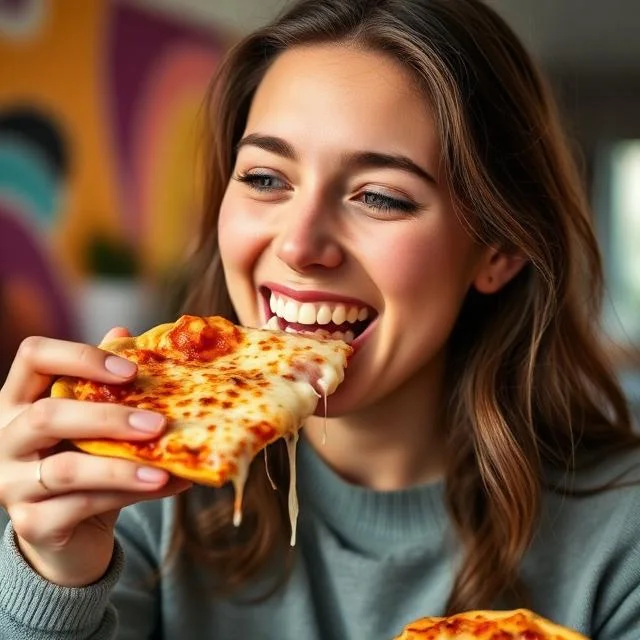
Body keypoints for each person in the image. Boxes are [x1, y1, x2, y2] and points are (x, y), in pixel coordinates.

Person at [0, 0, 639, 638]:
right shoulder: (133, 488)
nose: (301, 245)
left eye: (380, 196)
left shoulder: (621, 539)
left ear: (499, 250)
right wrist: (52, 584)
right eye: (266, 177)